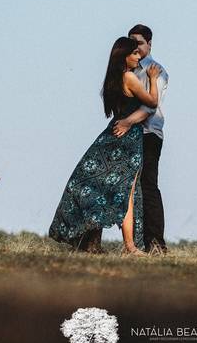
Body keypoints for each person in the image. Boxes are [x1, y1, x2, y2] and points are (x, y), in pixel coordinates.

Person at [48, 36, 161, 255]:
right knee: (127, 191)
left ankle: (93, 244)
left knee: (97, 186)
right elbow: (153, 103)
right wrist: (153, 79)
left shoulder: (112, 79)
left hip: (111, 135)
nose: (139, 56)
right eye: (135, 53)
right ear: (124, 56)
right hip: (128, 139)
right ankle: (130, 247)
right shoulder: (129, 77)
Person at [113, 24, 169, 254]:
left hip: (148, 134)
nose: (136, 46)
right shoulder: (126, 68)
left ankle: (155, 242)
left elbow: (150, 106)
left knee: (148, 185)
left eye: (140, 42)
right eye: (132, 42)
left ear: (149, 44)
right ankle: (130, 243)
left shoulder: (158, 71)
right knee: (123, 188)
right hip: (128, 135)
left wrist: (127, 122)